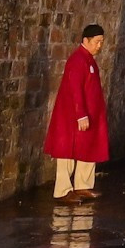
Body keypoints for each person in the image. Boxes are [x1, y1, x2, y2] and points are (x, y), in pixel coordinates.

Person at [44, 24, 110, 204]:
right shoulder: (77, 60)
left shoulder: (88, 60)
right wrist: (81, 114)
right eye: (97, 42)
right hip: (72, 116)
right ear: (86, 40)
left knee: (88, 148)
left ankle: (83, 185)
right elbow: (75, 89)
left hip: (89, 114)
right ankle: (63, 190)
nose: (99, 46)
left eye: (101, 42)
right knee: (67, 151)